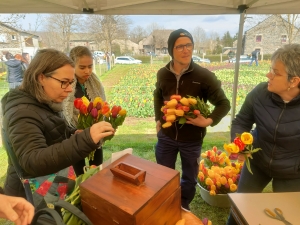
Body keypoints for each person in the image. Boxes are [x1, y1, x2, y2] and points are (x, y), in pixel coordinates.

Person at [1, 48, 114, 199]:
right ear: (41, 78)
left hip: (51, 186)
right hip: (37, 199)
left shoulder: (41, 102)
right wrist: (85, 139)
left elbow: (51, 129)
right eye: (64, 83)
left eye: (71, 82)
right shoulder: (22, 112)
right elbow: (34, 161)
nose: (69, 90)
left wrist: (73, 133)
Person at [153, 28, 230, 212]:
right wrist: (158, 119)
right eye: (180, 46)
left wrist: (208, 121)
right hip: (167, 136)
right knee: (164, 174)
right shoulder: (162, 74)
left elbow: (223, 103)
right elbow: (157, 95)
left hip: (192, 139)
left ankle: (183, 205)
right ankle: (167, 203)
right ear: (171, 50)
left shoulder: (203, 76)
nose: (185, 50)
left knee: (189, 178)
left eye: (189, 45)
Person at [226, 44, 300, 225]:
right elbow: (241, 121)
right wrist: (240, 145)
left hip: (291, 173)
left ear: (294, 81)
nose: (269, 75)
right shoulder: (260, 93)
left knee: (287, 218)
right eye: (270, 69)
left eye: (276, 72)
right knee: (239, 207)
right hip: (257, 164)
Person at [63, 46, 106, 176]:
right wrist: (74, 130)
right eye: (82, 67)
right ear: (72, 65)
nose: (87, 71)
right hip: (74, 137)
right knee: (80, 175)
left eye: (90, 66)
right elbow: (64, 114)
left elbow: (101, 105)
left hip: (94, 134)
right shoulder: (66, 85)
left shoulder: (95, 83)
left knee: (97, 170)